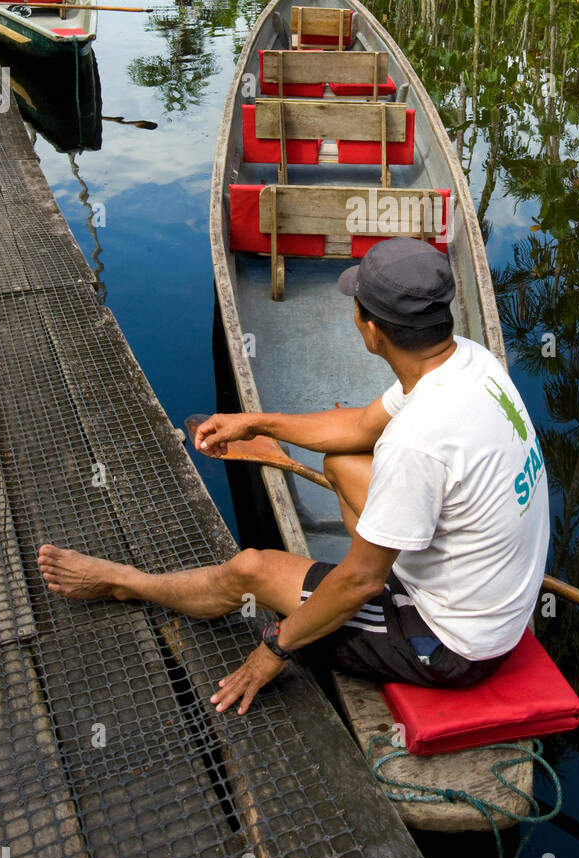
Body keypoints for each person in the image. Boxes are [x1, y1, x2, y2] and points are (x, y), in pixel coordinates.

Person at [37, 238, 549, 716]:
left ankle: (128, 584)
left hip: (449, 644)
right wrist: (256, 421)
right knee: (343, 460)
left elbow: (362, 581)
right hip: (487, 600)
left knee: (251, 569)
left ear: (370, 328)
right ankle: (384, 543)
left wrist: (274, 648)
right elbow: (359, 426)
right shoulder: (469, 361)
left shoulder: (418, 441)